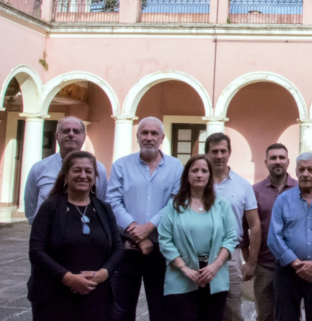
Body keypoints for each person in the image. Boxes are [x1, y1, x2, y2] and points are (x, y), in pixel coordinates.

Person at [28, 151, 123, 321]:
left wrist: (104, 273)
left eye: (88, 171)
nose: (83, 176)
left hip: (97, 295)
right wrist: (68, 278)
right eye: (77, 170)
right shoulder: (49, 208)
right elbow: (36, 251)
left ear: (95, 177)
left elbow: (118, 248)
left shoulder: (104, 209)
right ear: (65, 176)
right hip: (55, 296)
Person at [106, 116, 184, 321]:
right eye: (144, 133)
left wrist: (149, 227)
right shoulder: (121, 165)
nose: (149, 137)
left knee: (161, 309)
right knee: (121, 310)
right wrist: (137, 233)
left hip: (161, 249)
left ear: (162, 138)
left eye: (154, 133)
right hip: (126, 248)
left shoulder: (176, 167)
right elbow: (112, 201)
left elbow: (175, 203)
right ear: (137, 137)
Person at [158, 155, 239, 321]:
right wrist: (184, 268)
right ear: (187, 176)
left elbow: (231, 238)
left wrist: (215, 266)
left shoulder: (221, 204)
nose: (199, 174)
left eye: (204, 170)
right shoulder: (174, 205)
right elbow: (165, 240)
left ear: (210, 176)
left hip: (214, 275)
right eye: (194, 170)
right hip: (182, 276)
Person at [267, 152, 312, 321]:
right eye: (301, 169)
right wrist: (296, 263)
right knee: (285, 317)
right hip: (287, 272)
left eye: (310, 170)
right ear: (295, 171)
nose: (305, 174)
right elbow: (274, 236)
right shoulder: (283, 200)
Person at [204, 133, 260, 321]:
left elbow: (254, 224)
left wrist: (251, 262)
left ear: (229, 153)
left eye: (223, 151)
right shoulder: (196, 181)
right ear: (207, 154)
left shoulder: (243, 185)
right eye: (214, 151)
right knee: (201, 305)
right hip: (199, 254)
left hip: (231, 256)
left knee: (232, 309)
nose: (219, 155)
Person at [244, 143, 298, 321]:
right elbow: (245, 228)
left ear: (288, 162)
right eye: (273, 158)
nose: (278, 161)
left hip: (293, 266)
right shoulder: (255, 192)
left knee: (290, 315)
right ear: (266, 162)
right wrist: (250, 260)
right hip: (265, 266)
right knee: (265, 315)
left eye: (281, 158)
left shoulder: (300, 190)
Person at [24, 116, 108, 224]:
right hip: (46, 232)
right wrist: (37, 225)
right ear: (57, 136)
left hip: (83, 231)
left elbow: (100, 200)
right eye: (66, 131)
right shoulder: (39, 168)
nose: (71, 134)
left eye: (76, 131)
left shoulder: (97, 169)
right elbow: (31, 204)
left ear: (83, 137)